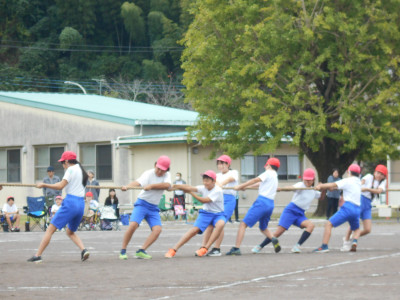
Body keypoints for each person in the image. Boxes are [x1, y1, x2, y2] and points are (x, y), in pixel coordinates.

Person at [28, 151, 90, 263]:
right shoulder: (82, 170)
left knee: (50, 229)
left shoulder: (70, 170)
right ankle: (83, 250)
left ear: (66, 161)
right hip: (81, 204)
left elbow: (60, 186)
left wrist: (43, 184)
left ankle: (38, 255)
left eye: (62, 162)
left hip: (71, 202)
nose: (62, 165)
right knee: (70, 232)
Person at [252, 169, 321, 254]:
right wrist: (281, 189)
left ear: (313, 180)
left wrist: (322, 187)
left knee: (310, 226)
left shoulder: (314, 190)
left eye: (309, 179)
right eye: (305, 179)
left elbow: (321, 196)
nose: (307, 181)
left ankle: (297, 246)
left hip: (300, 214)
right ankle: (260, 246)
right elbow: (291, 188)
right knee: (279, 232)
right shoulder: (300, 185)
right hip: (291, 211)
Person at [119, 155, 172, 260]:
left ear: (166, 170)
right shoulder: (148, 173)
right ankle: (123, 250)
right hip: (142, 204)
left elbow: (167, 185)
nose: (160, 172)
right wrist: (128, 186)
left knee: (157, 230)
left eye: (162, 170)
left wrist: (151, 186)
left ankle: (141, 250)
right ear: (155, 165)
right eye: (158, 169)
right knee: (133, 225)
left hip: (153, 208)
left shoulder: (167, 176)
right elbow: (138, 182)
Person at [226, 157, 280, 256]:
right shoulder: (275, 176)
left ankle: (236, 248)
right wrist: (245, 187)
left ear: (268, 165)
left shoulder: (268, 173)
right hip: (270, 204)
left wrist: (241, 186)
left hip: (262, 202)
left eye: (266, 165)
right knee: (263, 227)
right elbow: (260, 184)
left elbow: (256, 180)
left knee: (243, 224)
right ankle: (273, 238)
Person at [164, 170, 225, 258]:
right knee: (194, 230)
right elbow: (189, 187)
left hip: (218, 214)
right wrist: (175, 186)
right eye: (204, 180)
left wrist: (191, 193)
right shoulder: (203, 187)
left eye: (207, 180)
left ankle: (205, 248)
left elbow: (204, 200)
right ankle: (173, 250)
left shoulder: (217, 190)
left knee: (221, 224)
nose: (205, 182)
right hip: (206, 213)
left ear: (213, 181)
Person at [314, 164, 362, 253]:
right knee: (356, 229)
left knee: (328, 224)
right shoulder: (358, 182)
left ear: (349, 172)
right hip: (357, 209)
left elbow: (333, 183)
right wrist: (333, 188)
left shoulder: (347, 180)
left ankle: (324, 246)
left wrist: (321, 186)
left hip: (348, 208)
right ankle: (354, 241)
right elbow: (340, 187)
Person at [341, 164, 388, 251]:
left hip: (368, 204)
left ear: (384, 176)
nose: (379, 175)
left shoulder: (383, 182)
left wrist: (367, 189)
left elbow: (379, 191)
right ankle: (346, 241)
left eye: (382, 174)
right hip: (360, 200)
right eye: (378, 173)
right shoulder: (369, 176)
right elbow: (361, 182)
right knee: (353, 223)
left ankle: (353, 236)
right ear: (374, 172)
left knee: (367, 229)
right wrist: (359, 186)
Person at [204, 155, 239, 256]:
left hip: (229, 199)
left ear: (228, 164)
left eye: (222, 163)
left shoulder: (233, 172)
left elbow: (230, 179)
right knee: (210, 224)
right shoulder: (216, 175)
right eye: (218, 164)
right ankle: (204, 247)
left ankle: (216, 248)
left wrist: (221, 184)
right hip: (218, 199)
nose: (220, 166)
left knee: (220, 223)